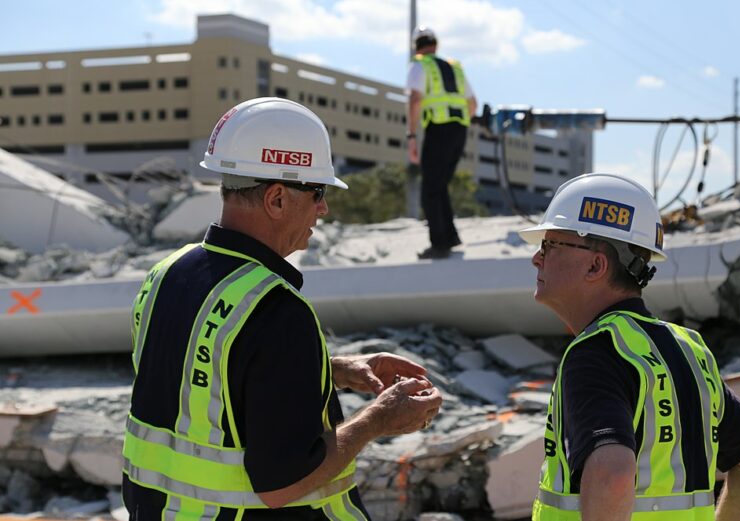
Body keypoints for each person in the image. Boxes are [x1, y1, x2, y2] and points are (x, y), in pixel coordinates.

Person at [122, 97, 443, 520]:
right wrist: (379, 420)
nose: (323, 208)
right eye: (317, 192)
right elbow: (283, 482)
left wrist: (330, 368)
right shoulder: (275, 309)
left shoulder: (167, 273)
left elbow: (210, 377)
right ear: (276, 199)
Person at [518, 173, 740, 521]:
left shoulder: (596, 352)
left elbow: (613, 477)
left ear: (596, 265)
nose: (536, 259)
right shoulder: (687, 351)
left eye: (550, 246)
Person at [406, 26, 477, 260]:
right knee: (440, 184)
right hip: (460, 129)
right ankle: (450, 237)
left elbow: (415, 100)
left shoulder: (419, 65)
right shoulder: (454, 67)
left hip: (438, 129)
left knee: (430, 189)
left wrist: (412, 136)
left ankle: (440, 245)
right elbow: (473, 103)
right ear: (436, 45)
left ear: (417, 47)